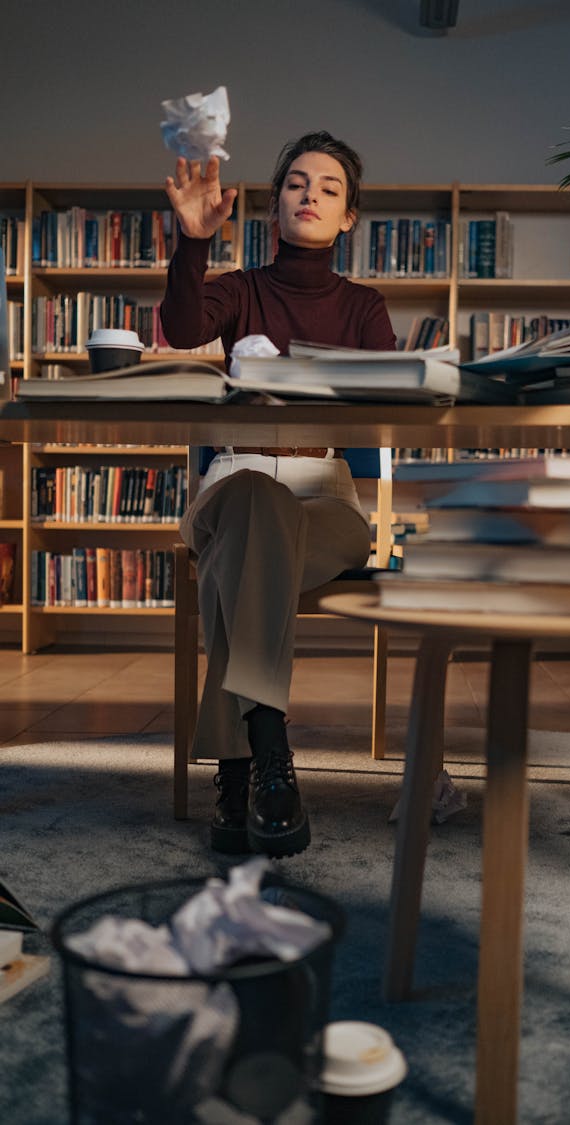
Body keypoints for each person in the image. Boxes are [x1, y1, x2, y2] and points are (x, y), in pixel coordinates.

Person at [160, 131, 396, 859]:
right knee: (253, 507)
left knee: (248, 553)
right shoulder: (240, 287)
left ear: (349, 215)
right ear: (274, 205)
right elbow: (178, 329)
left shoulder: (364, 307)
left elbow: (387, 403)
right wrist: (192, 242)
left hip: (327, 498)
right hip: (234, 482)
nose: (311, 196)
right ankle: (268, 751)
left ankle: (240, 772)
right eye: (296, 183)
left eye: (329, 187)